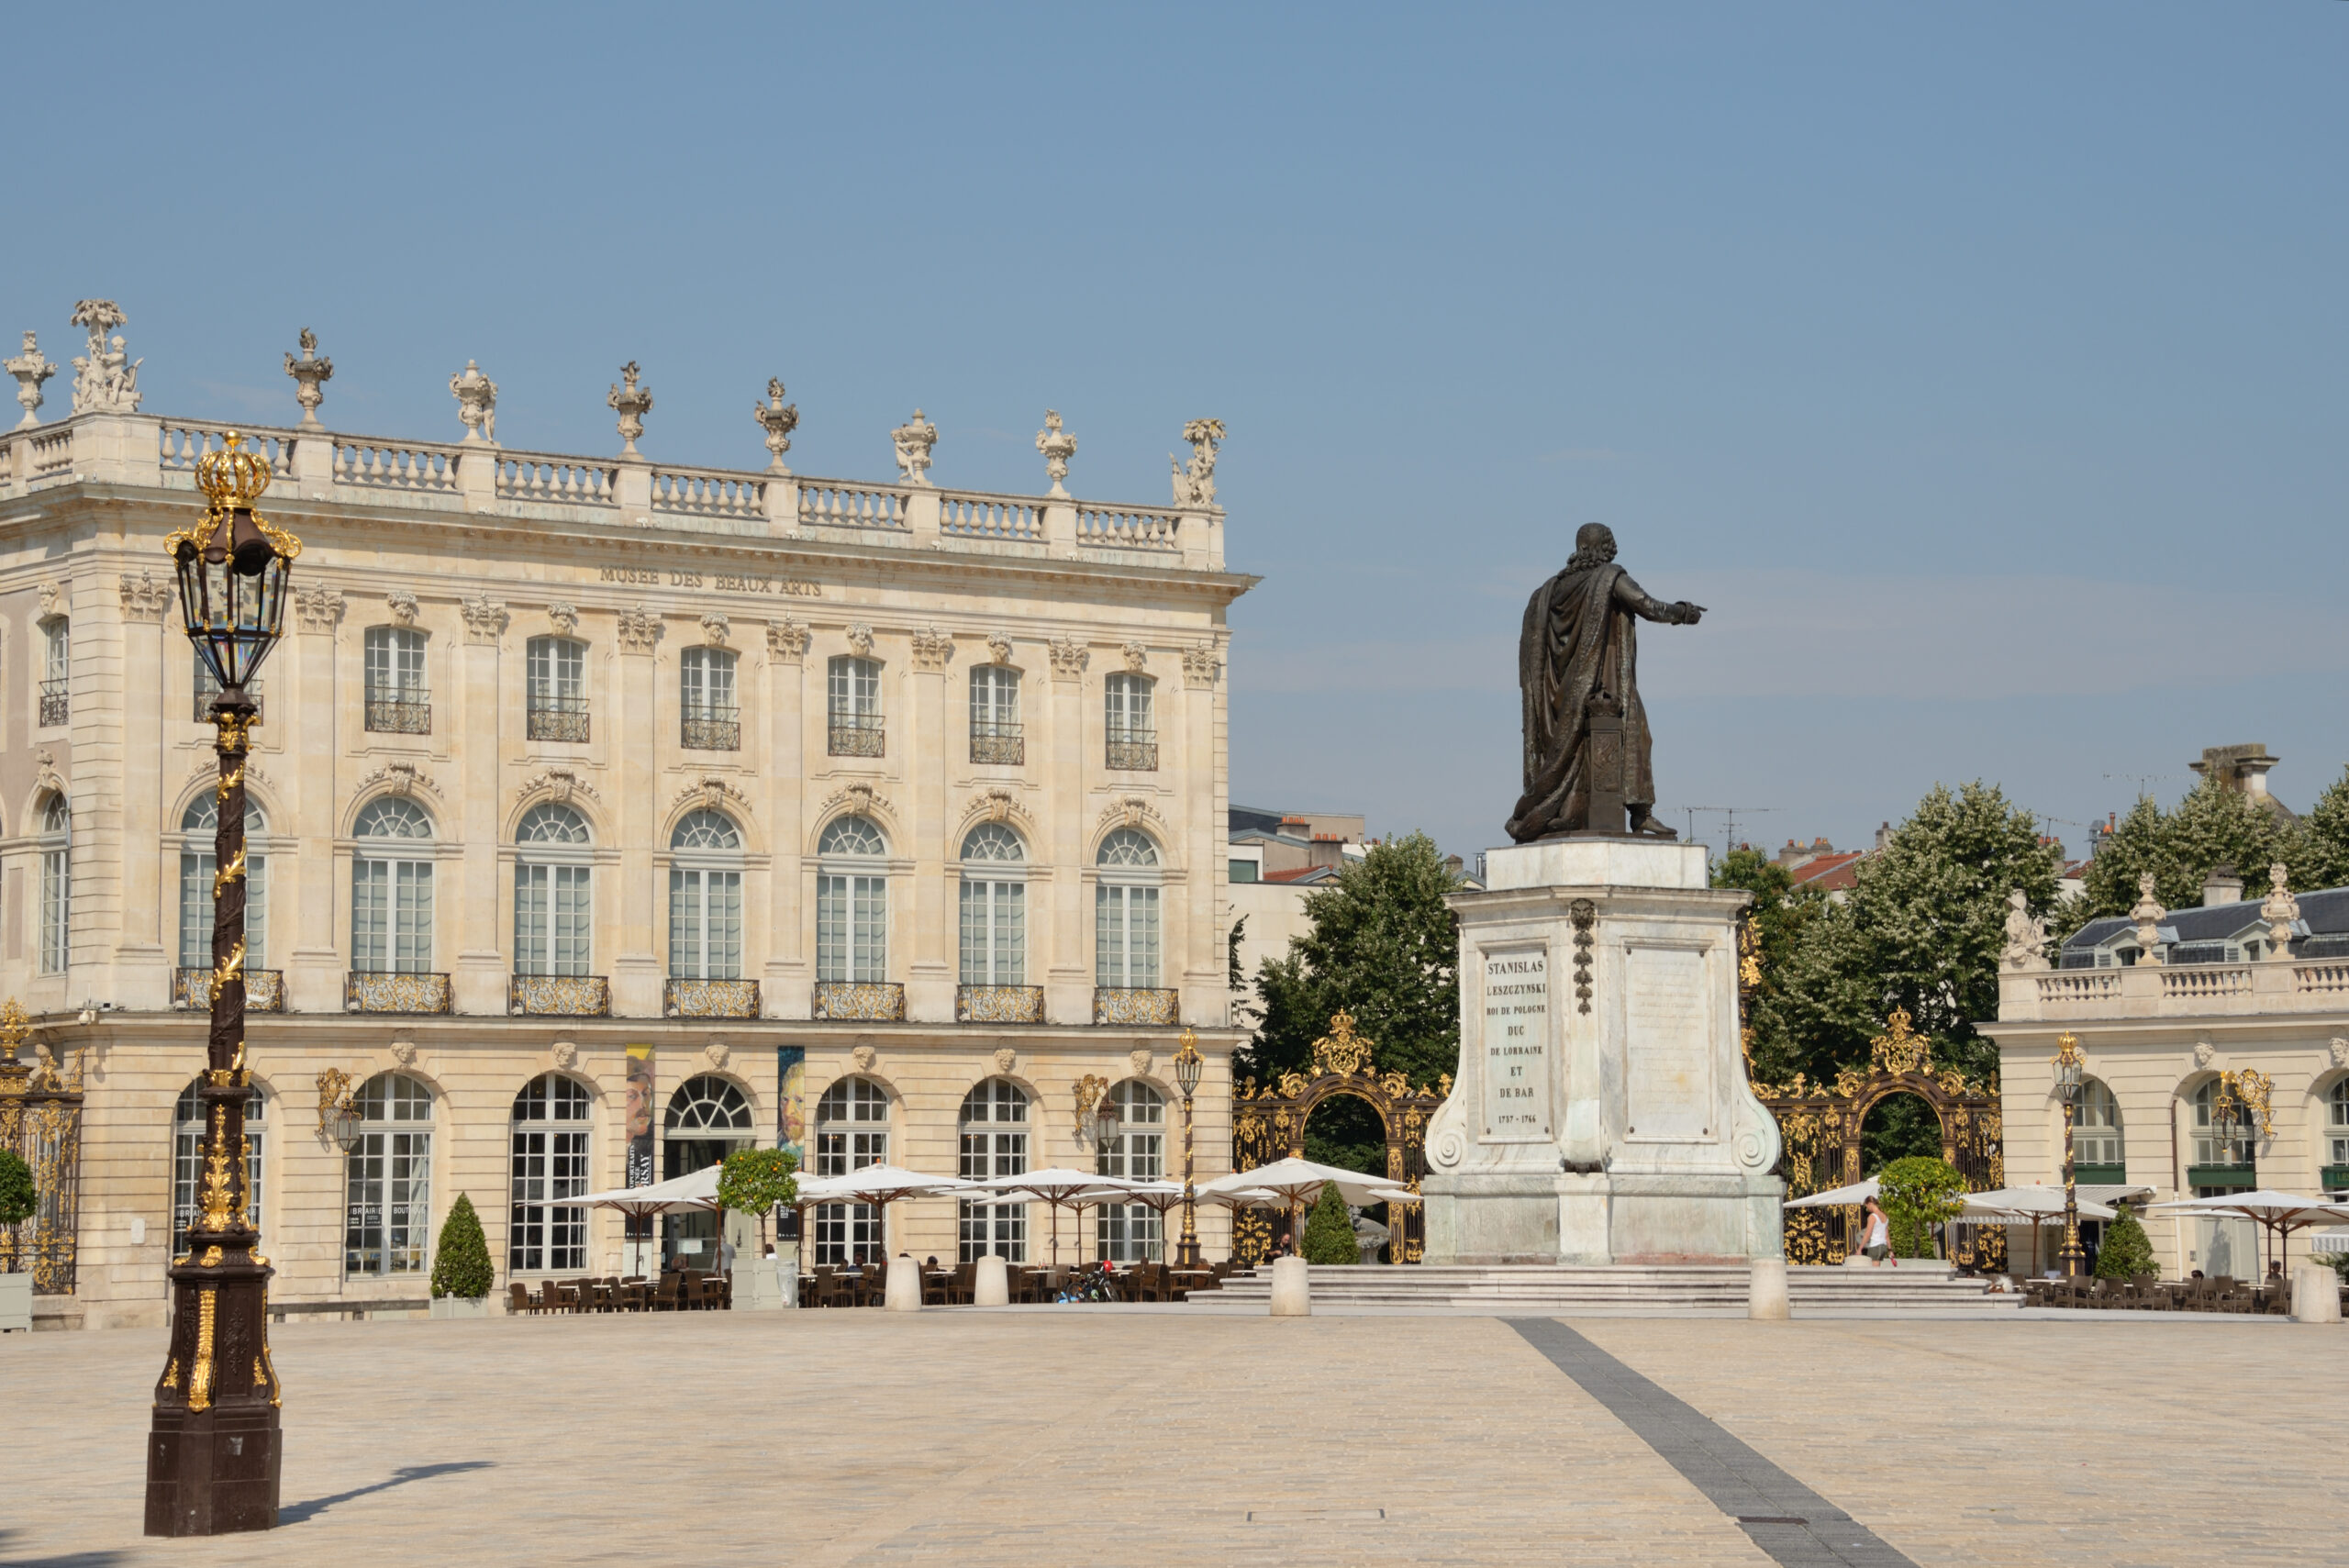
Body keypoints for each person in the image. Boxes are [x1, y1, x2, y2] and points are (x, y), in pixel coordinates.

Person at [1859, 1196, 1897, 1268]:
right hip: (1883, 1246)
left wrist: (1860, 1248)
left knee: (1874, 1271)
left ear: (1870, 1204)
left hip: (1875, 1245)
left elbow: (1868, 1234)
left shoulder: (1872, 1217)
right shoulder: (1885, 1216)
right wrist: (1890, 1250)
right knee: (1877, 1267)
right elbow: (1887, 1235)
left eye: (1867, 1206)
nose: (1867, 1209)